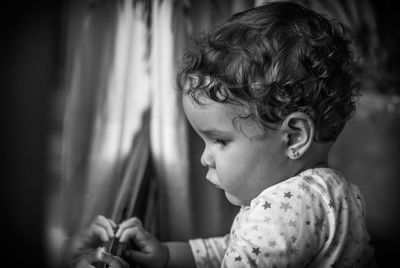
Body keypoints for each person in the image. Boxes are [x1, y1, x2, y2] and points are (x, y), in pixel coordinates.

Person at [64, 1, 376, 267]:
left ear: (294, 137)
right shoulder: (325, 192)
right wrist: (168, 256)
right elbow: (233, 247)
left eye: (220, 140)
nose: (205, 158)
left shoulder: (286, 207)